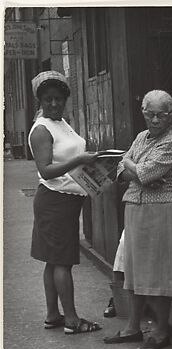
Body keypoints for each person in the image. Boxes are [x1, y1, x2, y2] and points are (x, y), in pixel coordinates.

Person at [103, 90, 172, 349]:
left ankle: (161, 332)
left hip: (160, 212)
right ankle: (133, 327)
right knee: (134, 268)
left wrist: (131, 164)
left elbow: (146, 174)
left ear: (171, 116)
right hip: (135, 208)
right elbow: (119, 171)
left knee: (158, 272)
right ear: (144, 114)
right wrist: (131, 165)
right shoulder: (141, 137)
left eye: (162, 114)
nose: (156, 120)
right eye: (150, 114)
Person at [28, 70, 102, 334]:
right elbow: (46, 169)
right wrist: (80, 160)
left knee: (53, 259)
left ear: (65, 99)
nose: (54, 104)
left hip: (67, 201)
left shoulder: (61, 122)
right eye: (48, 99)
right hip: (54, 201)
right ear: (40, 100)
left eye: (59, 99)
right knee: (62, 262)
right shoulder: (42, 129)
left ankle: (52, 315)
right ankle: (71, 320)